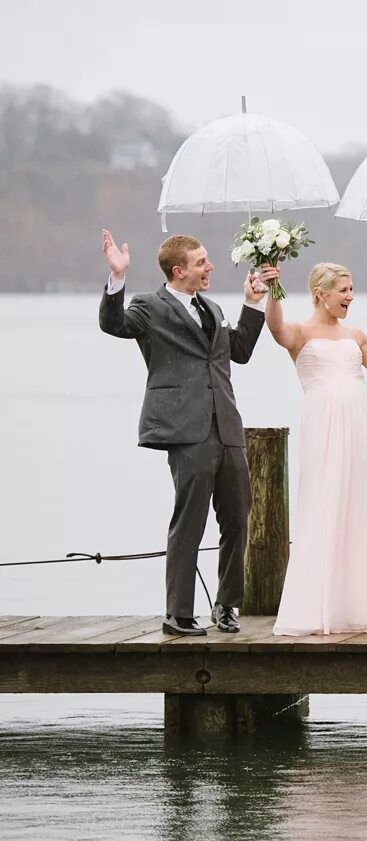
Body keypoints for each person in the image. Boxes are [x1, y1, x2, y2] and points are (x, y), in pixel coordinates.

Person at [98, 230, 266, 636]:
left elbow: (238, 351)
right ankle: (179, 614)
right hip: (185, 429)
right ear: (179, 270)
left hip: (226, 425)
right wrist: (117, 279)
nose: (210, 268)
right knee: (189, 521)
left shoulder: (211, 307)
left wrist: (252, 304)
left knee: (239, 520)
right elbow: (113, 324)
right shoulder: (148, 306)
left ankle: (227, 607)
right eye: (201, 262)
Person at [264, 263, 367, 635]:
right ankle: (317, 605)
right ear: (320, 294)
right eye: (343, 290)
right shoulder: (299, 332)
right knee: (324, 503)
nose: (350, 296)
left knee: (363, 505)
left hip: (362, 423)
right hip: (323, 423)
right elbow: (275, 328)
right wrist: (273, 289)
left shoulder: (356, 334)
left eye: (352, 288)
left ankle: (364, 606)